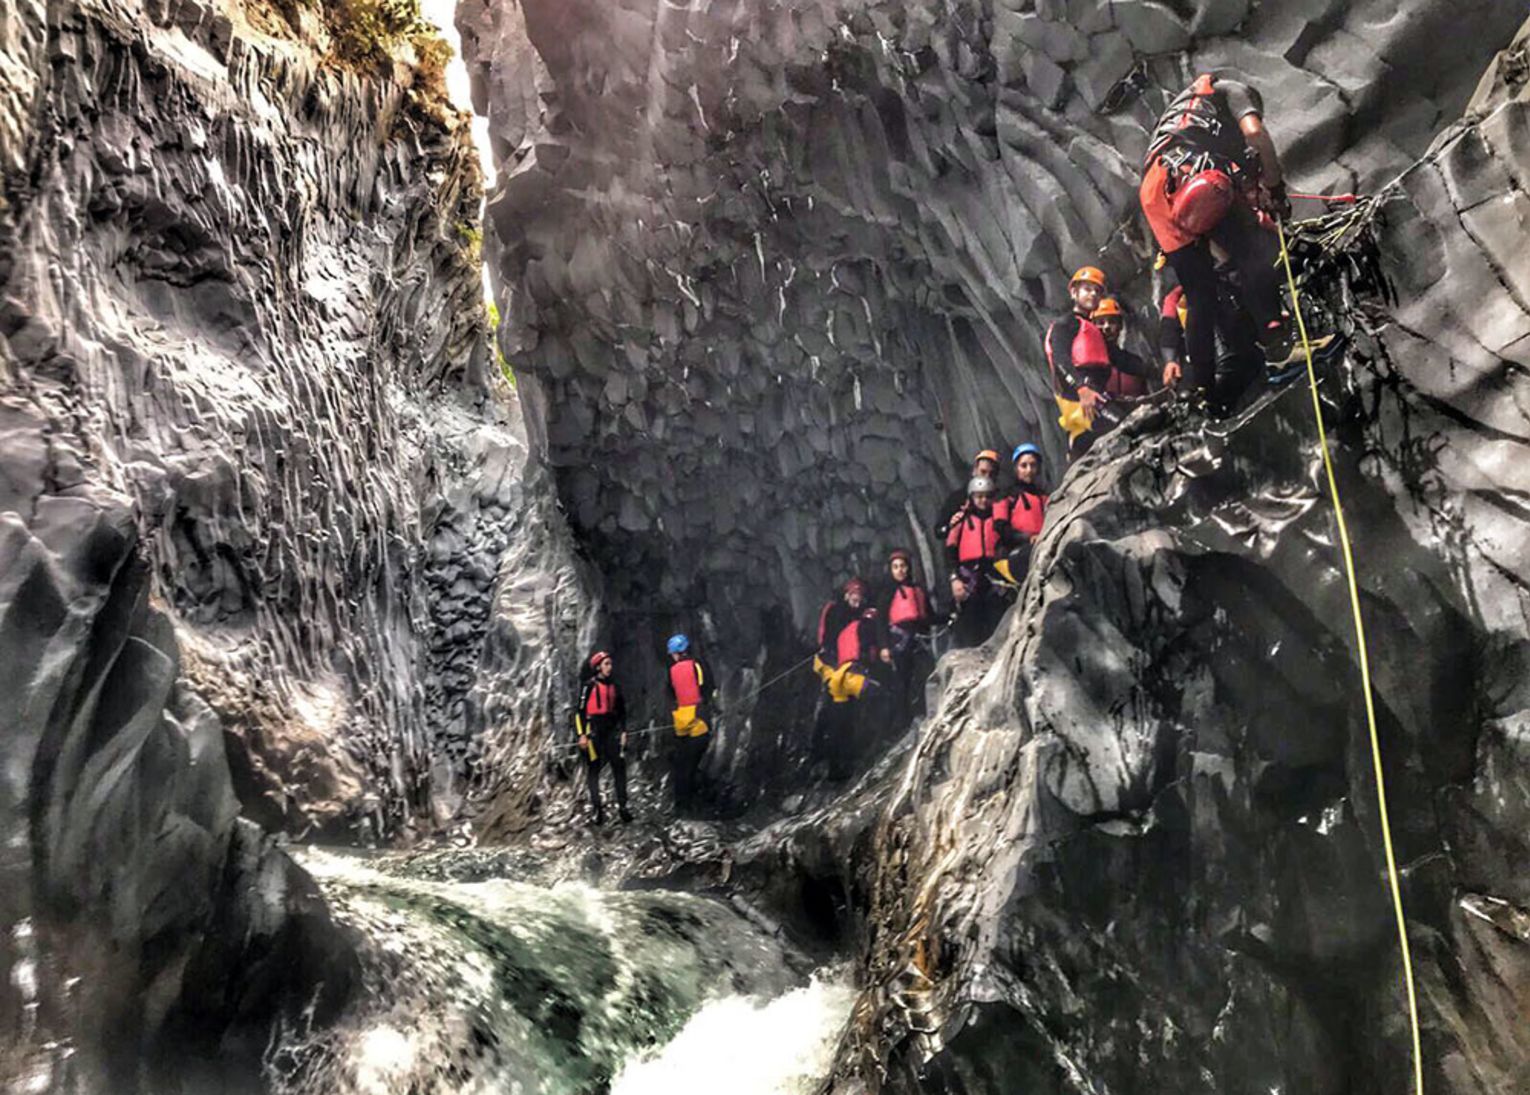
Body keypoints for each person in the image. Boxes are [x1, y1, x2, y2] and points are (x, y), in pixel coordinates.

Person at [1138, 72, 1327, 399]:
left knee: (1200, 295)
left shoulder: (1188, 108)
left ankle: (1204, 389)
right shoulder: (1232, 90)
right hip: (1193, 175)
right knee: (1253, 249)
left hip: (1154, 191)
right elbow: (1255, 133)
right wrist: (1276, 190)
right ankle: (1279, 349)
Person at [813, 579, 888, 779]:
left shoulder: (861, 617)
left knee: (846, 717)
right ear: (846, 595)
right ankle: (828, 762)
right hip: (836, 670)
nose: (857, 598)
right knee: (835, 716)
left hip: (848, 672)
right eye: (853, 594)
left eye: (860, 595)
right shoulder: (838, 612)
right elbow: (831, 641)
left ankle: (841, 762)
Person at [1158, 274, 1263, 414]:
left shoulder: (1223, 279)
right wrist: (1170, 361)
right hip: (1208, 362)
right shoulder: (1176, 298)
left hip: (1240, 349)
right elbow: (1168, 331)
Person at [1044, 266, 1116, 461]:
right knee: (1121, 427)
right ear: (1074, 292)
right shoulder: (1065, 324)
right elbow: (1060, 359)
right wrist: (1081, 388)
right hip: (1080, 400)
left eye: (1097, 291)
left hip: (1096, 396)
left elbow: (1122, 359)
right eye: (1087, 289)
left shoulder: (1094, 330)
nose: (1093, 294)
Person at [944, 476, 1009, 647]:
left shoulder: (999, 522)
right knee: (969, 621)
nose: (983, 500)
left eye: (987, 496)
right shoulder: (960, 521)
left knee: (996, 616)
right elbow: (950, 552)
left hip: (993, 575)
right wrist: (954, 579)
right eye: (979, 496)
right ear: (971, 497)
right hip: (969, 577)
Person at [575, 651, 631, 824]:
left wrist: (624, 731)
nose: (609, 667)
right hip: (593, 733)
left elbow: (621, 710)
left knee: (619, 767)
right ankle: (597, 808)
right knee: (594, 769)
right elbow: (580, 712)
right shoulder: (588, 686)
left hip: (611, 732)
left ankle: (623, 806)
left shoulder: (615, 686)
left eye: (610, 664)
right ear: (598, 667)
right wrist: (581, 735)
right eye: (606, 664)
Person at [880, 550, 935, 720]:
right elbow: (880, 622)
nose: (900, 570)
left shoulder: (917, 590)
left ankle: (928, 713)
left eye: (902, 566)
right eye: (895, 567)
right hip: (899, 643)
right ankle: (903, 722)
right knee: (902, 683)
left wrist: (949, 616)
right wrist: (884, 647)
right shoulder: (887, 593)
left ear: (908, 568)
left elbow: (929, 616)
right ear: (891, 570)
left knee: (928, 674)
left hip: (918, 641)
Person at [664, 633, 714, 813]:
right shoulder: (697, 665)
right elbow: (707, 687)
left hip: (680, 722)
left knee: (682, 765)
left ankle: (680, 803)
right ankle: (690, 804)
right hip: (698, 719)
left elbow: (670, 694)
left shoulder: (672, 670)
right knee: (692, 764)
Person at [995, 443, 1049, 587]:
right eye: (1023, 466)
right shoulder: (1006, 495)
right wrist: (1027, 537)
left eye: (1033, 465)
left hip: (1039, 547)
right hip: (1014, 553)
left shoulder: (1044, 497)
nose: (1029, 470)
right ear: (1016, 468)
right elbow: (1000, 527)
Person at [1092, 297, 1154, 400]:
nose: (1106, 327)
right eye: (1101, 322)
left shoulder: (1134, 363)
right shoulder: (1089, 365)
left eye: (1112, 321)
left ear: (1120, 325)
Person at [934, 449, 1001, 540]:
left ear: (997, 476)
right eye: (983, 472)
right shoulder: (958, 498)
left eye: (992, 474)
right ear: (974, 471)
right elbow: (938, 532)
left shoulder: (1002, 499)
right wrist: (950, 525)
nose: (987, 477)